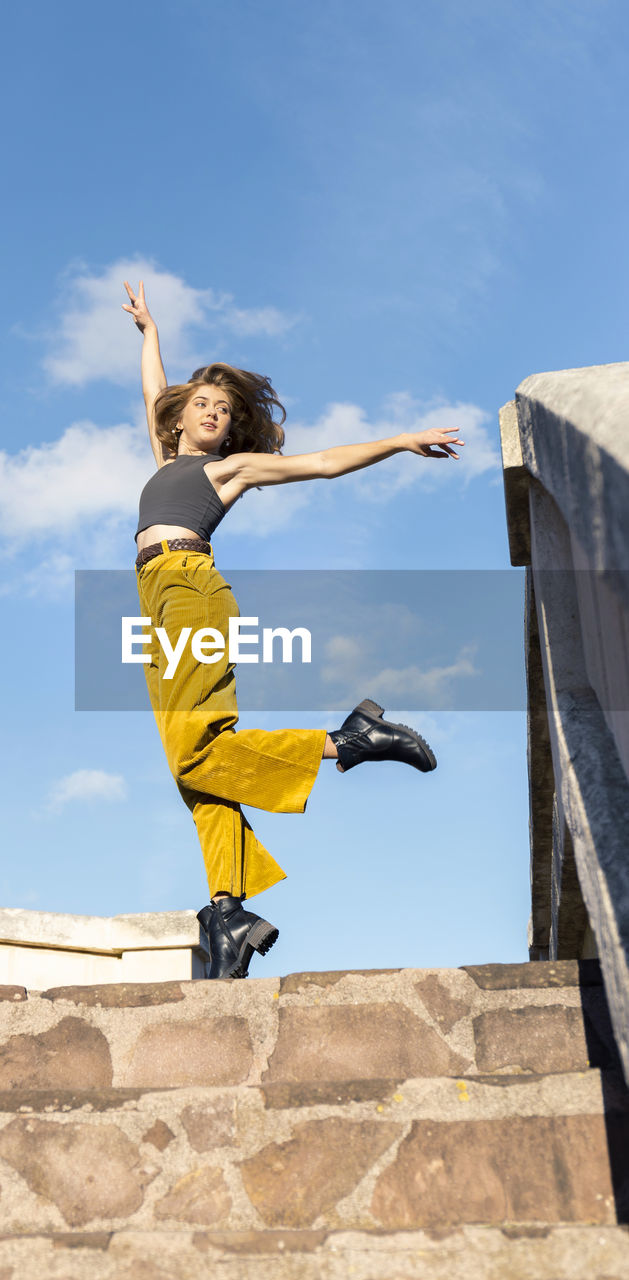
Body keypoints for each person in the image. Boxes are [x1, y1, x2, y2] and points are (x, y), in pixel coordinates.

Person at [123, 280, 464, 979]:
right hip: (153, 596)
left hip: (189, 588)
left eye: (224, 408)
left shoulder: (232, 469)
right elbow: (152, 389)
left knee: (195, 753)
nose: (214, 413)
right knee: (194, 763)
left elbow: (320, 463)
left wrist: (400, 440)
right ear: (179, 418)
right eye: (202, 405)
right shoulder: (165, 460)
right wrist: (149, 332)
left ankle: (348, 742)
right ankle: (227, 911)